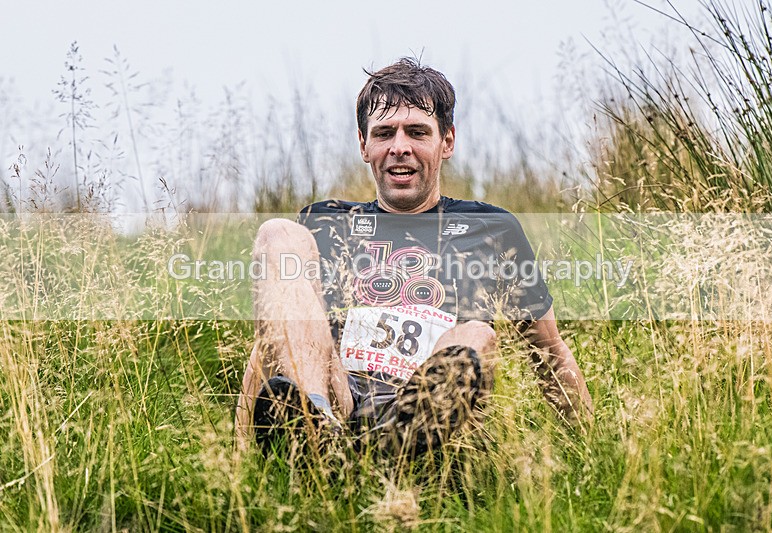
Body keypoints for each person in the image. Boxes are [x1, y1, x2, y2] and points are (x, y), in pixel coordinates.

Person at [235, 58, 593, 456]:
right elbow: (271, 342)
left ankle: (397, 443)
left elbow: (548, 350)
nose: (399, 147)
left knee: (478, 335)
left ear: (447, 142)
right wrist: (240, 474)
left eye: (417, 132)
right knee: (277, 233)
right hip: (340, 401)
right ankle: (316, 427)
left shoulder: (492, 227)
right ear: (363, 145)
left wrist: (589, 454)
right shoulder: (326, 222)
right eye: (384, 133)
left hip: (436, 422)